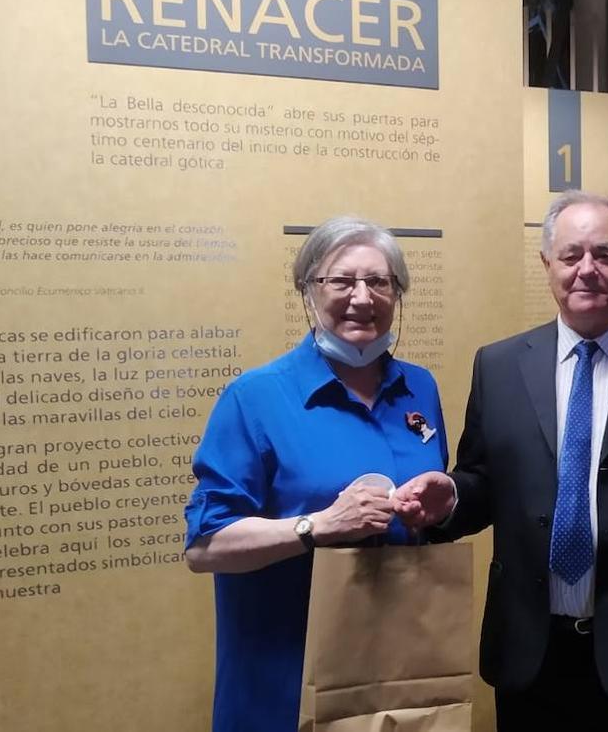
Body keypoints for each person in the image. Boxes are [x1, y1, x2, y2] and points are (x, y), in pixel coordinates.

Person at [394, 191, 608, 731]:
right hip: (531, 651)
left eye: (605, 254)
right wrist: (451, 498)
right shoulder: (500, 366)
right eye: (571, 254)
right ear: (547, 265)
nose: (587, 270)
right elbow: (483, 479)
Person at [183, 217, 449, 732]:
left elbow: (427, 515)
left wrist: (435, 508)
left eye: (379, 281)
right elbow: (204, 546)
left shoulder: (419, 389)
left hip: (396, 671)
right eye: (341, 281)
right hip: (284, 680)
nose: (362, 297)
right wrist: (317, 525)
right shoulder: (256, 397)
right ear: (308, 289)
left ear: (398, 293)